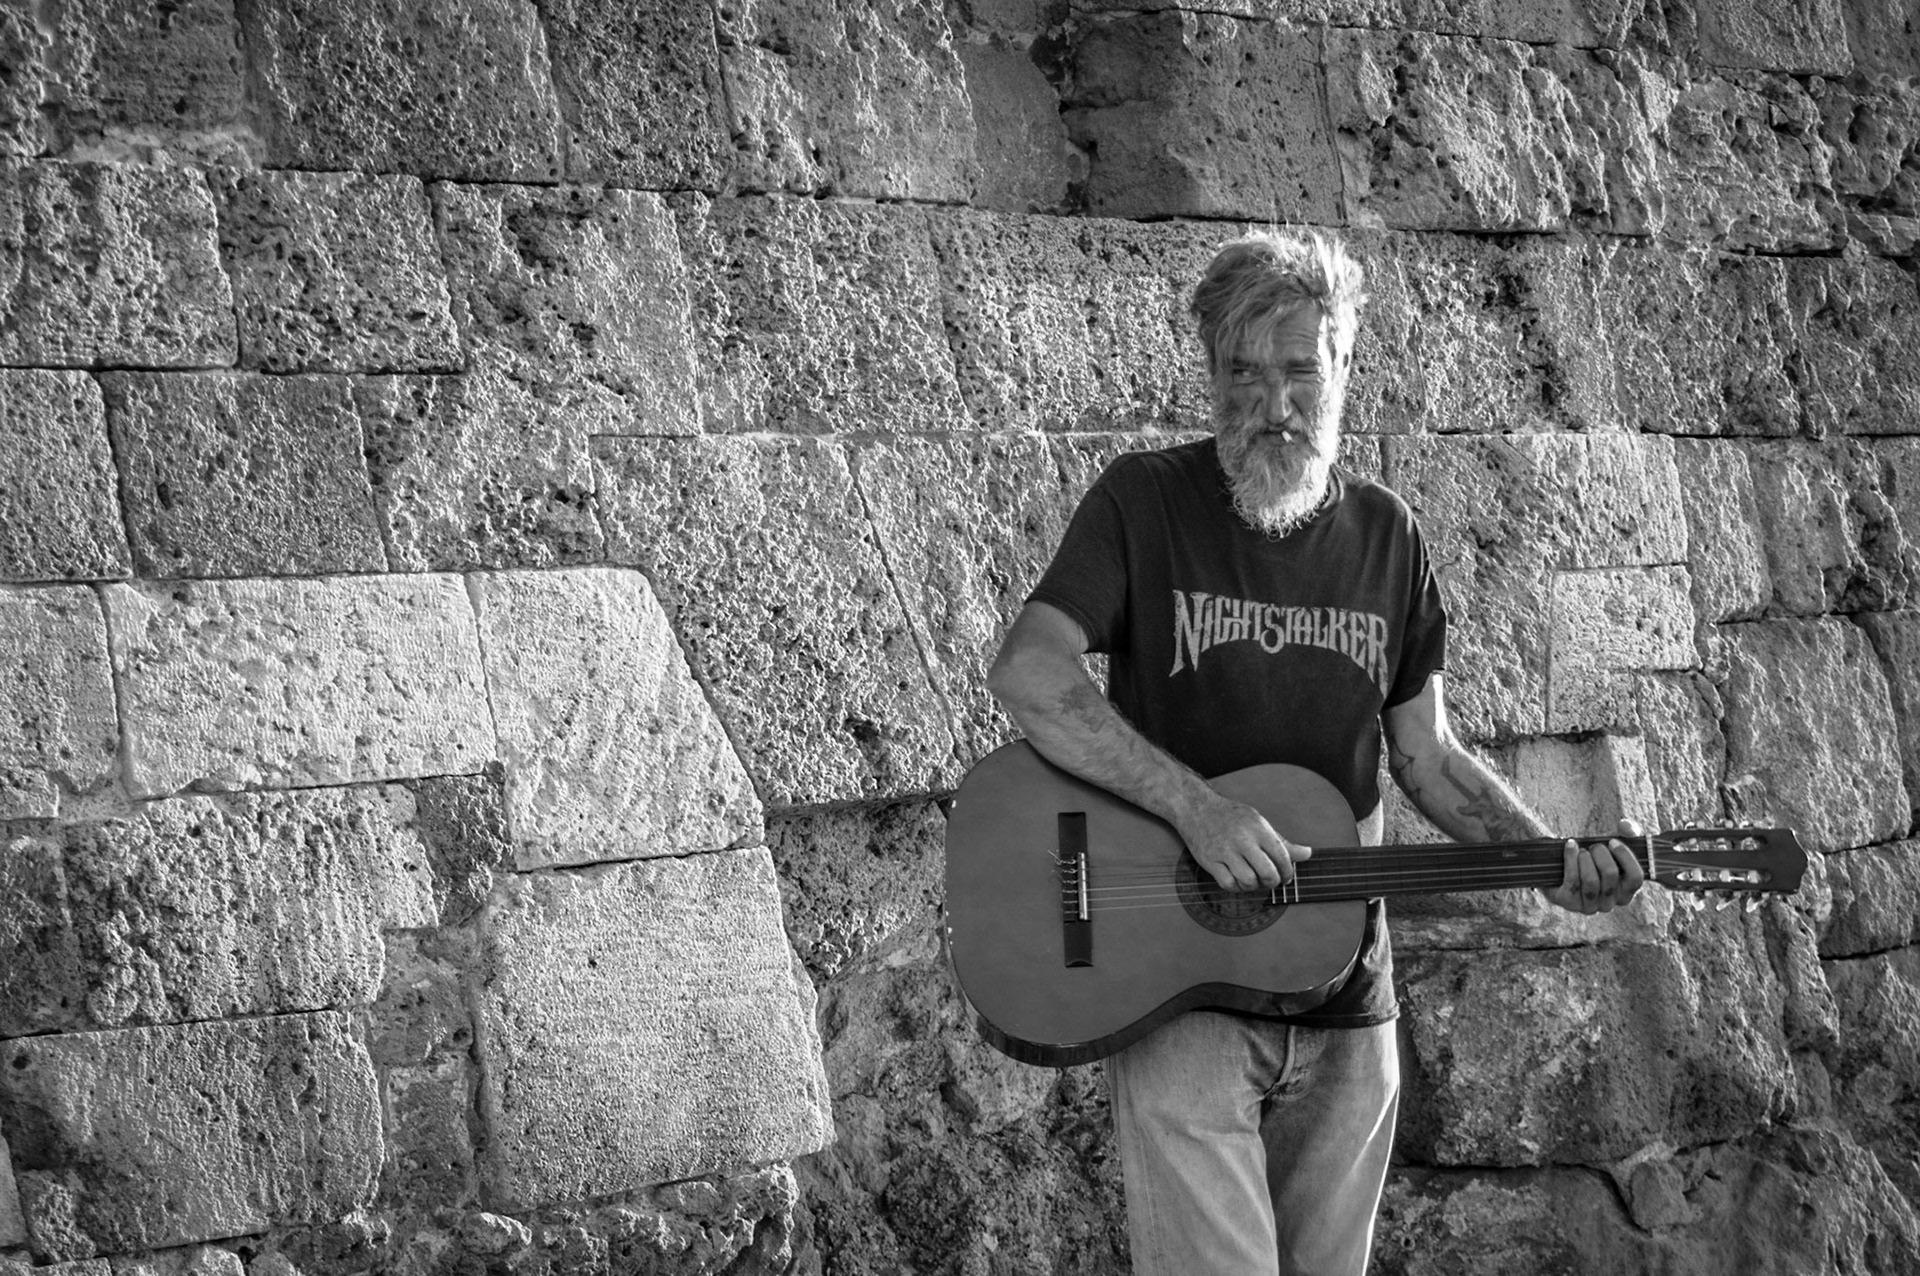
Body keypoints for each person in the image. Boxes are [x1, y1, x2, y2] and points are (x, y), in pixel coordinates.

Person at [985, 229, 1646, 1276]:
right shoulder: (1142, 503)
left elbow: (1426, 757)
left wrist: (1549, 861)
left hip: (1348, 999)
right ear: (1208, 375)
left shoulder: (1391, 538)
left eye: (1300, 369)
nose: (1273, 404)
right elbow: (1030, 670)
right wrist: (1196, 809)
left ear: (1344, 366)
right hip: (1182, 998)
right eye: (1242, 373)